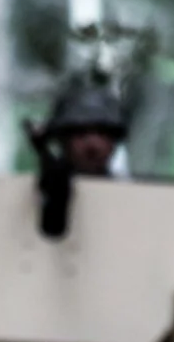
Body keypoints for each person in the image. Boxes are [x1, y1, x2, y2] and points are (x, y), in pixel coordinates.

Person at [24, 73, 130, 239]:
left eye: (102, 134)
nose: (92, 145)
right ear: (62, 140)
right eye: (81, 134)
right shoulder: (49, 187)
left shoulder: (130, 198)